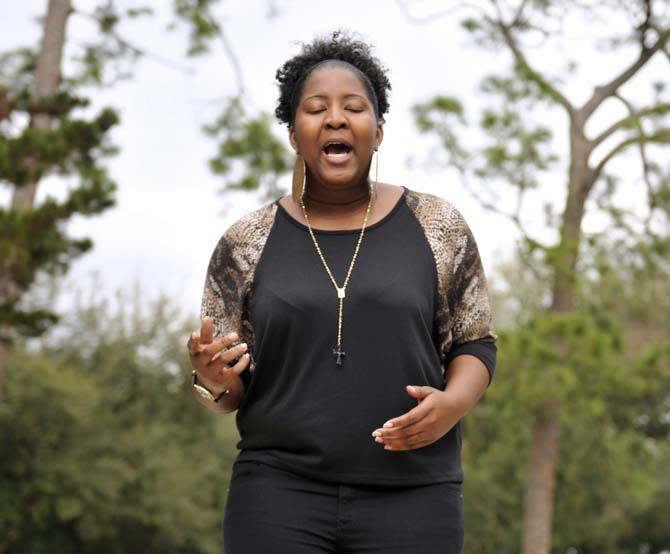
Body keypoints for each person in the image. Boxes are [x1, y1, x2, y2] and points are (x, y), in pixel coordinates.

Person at [186, 30, 496, 554]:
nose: (335, 118)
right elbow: (231, 388)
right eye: (315, 108)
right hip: (278, 496)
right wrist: (211, 379)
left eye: (353, 108)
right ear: (292, 133)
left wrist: (453, 404)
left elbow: (475, 342)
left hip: (415, 495)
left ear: (377, 132)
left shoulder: (437, 225)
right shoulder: (244, 243)